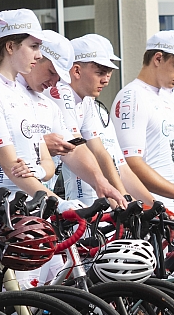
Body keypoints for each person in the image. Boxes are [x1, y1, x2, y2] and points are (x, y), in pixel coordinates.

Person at [21, 30, 126, 208]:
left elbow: (87, 149)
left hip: (40, 198)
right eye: (52, 72)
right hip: (15, 197)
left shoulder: (51, 100)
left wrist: (120, 195)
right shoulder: (60, 93)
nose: (55, 82)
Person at [0, 10, 59, 200]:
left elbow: (48, 164)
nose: (38, 55)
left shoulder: (23, 93)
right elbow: (10, 167)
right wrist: (57, 202)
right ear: (10, 47)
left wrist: (37, 170)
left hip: (31, 201)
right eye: (33, 46)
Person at [113, 30, 174, 211]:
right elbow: (130, 163)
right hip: (150, 210)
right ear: (157, 58)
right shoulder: (132, 96)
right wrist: (161, 207)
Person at [62, 34, 151, 205]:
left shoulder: (90, 103)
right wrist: (119, 196)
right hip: (80, 202)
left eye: (109, 72)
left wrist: (125, 197)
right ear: (76, 70)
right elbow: (78, 150)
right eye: (101, 72)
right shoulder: (60, 93)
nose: (106, 80)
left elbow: (104, 154)